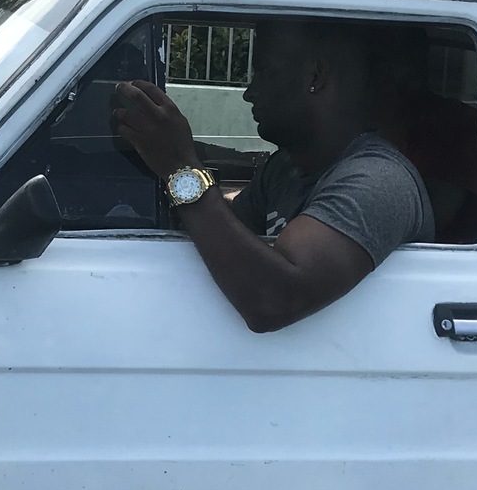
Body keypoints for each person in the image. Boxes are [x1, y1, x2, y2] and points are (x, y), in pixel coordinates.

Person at [112, 18, 434, 332]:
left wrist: (180, 169)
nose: (249, 93)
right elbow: (223, 239)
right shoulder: (286, 168)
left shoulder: (377, 180)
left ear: (316, 76)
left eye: (263, 73)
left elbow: (274, 301)